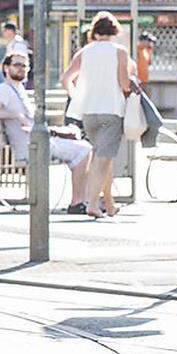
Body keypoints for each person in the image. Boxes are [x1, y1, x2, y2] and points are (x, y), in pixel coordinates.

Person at [0, 53, 92, 214]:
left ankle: (87, 200)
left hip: (37, 141)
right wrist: (16, 116)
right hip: (30, 146)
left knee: (82, 143)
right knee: (84, 150)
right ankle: (78, 202)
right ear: (6, 68)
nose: (21, 69)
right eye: (17, 65)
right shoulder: (4, 90)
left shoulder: (18, 89)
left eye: (25, 66)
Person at [60, 11, 131, 219]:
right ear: (114, 30)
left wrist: (76, 97)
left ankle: (109, 204)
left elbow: (66, 78)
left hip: (88, 112)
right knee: (103, 158)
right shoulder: (120, 51)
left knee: (102, 157)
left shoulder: (85, 52)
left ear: (95, 31)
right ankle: (91, 203)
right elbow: (124, 83)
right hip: (111, 110)